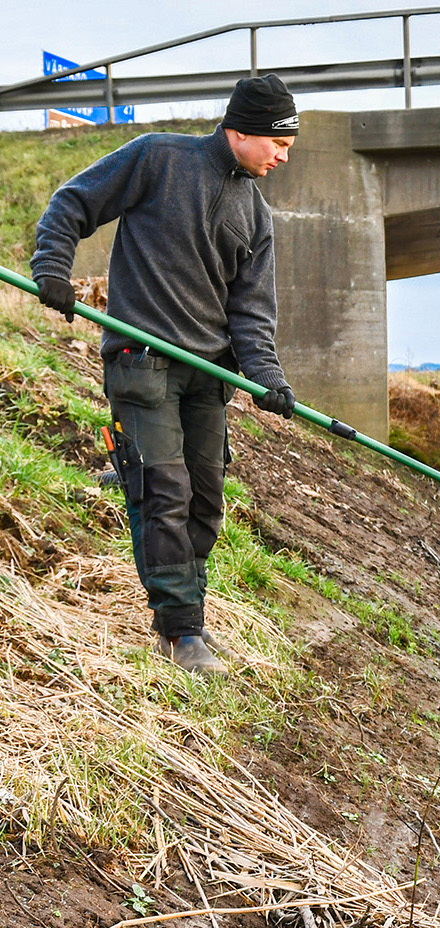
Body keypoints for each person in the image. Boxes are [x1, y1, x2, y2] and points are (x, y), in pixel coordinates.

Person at [29, 74, 302, 676]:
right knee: (164, 492)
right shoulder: (158, 157)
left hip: (208, 375)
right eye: (279, 141)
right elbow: (72, 202)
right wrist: (52, 268)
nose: (284, 154)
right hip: (141, 361)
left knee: (205, 500)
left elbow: (252, 314)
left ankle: (191, 623)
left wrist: (268, 379)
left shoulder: (255, 214)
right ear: (244, 129)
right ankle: (179, 635)